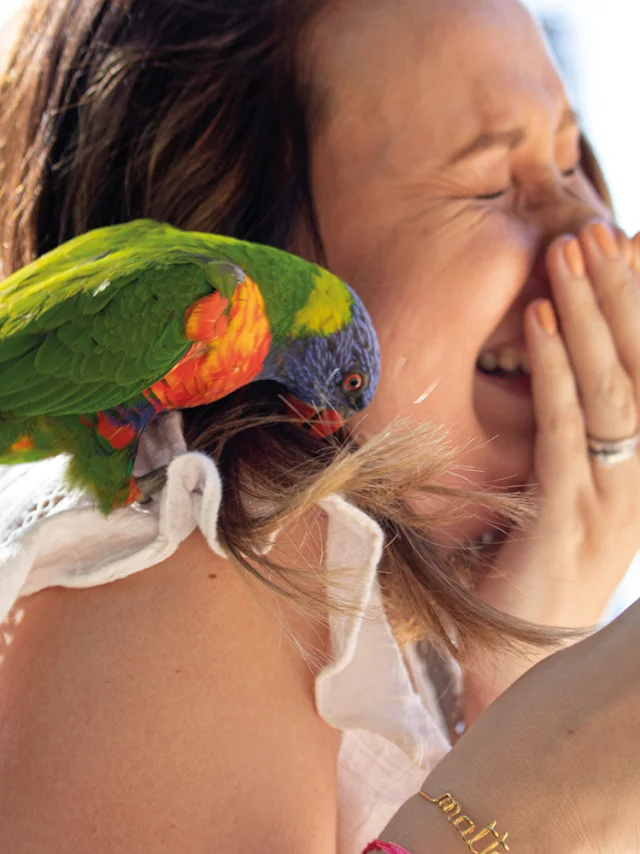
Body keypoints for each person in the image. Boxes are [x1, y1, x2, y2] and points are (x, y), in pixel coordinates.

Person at [0, 0, 639, 851]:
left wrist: (516, 676)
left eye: (573, 161)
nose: (591, 234)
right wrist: (525, 804)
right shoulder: (204, 551)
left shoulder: (408, 644)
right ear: (245, 226)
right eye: (488, 184)